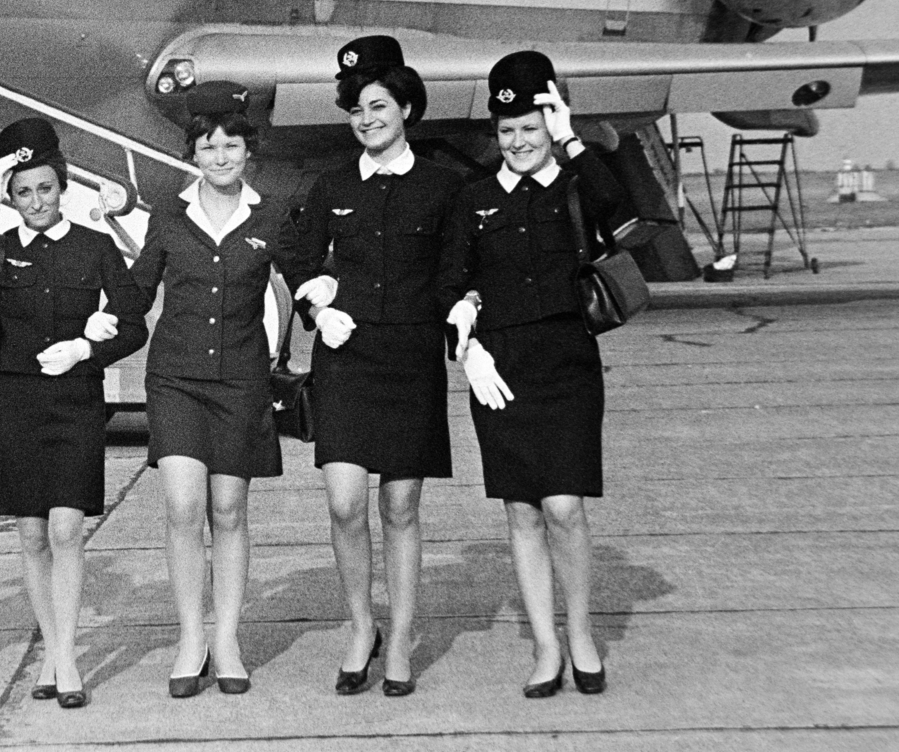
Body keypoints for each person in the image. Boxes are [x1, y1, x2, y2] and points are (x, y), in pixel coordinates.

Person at [278, 36, 466, 697]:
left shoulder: (445, 186)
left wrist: (466, 314)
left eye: (378, 104)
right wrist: (314, 299)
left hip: (411, 359)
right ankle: (362, 625)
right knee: (345, 501)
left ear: (407, 106)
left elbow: (457, 271)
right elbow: (293, 249)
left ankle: (401, 638)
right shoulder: (332, 185)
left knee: (402, 503)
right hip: (348, 358)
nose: (367, 118)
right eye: (356, 107)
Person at [0, 118, 147, 709]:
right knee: (31, 535)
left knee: (65, 529)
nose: (34, 201)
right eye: (21, 192)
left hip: (76, 401)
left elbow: (133, 321)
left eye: (45, 189)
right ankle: (55, 651)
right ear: (10, 195)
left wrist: (89, 349)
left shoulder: (95, 246)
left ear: (63, 188)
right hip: (16, 403)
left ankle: (66, 659)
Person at [448, 51, 623, 698]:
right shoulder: (475, 199)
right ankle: (546, 646)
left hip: (567, 366)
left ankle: (580, 633)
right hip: (501, 370)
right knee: (522, 511)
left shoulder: (576, 186)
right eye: (507, 129)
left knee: (566, 507)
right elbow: (454, 280)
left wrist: (574, 140)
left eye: (532, 125)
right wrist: (467, 344)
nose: (518, 140)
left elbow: (624, 215)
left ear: (551, 123)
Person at [130, 81, 287, 699]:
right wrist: (90, 327)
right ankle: (191, 638)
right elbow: (140, 287)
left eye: (230, 145)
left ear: (249, 150)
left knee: (228, 511)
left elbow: (307, 280)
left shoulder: (270, 216)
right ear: (191, 153)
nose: (220, 157)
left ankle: (228, 640)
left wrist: (328, 301)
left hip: (241, 381)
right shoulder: (168, 215)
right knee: (182, 507)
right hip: (175, 379)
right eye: (207, 146)